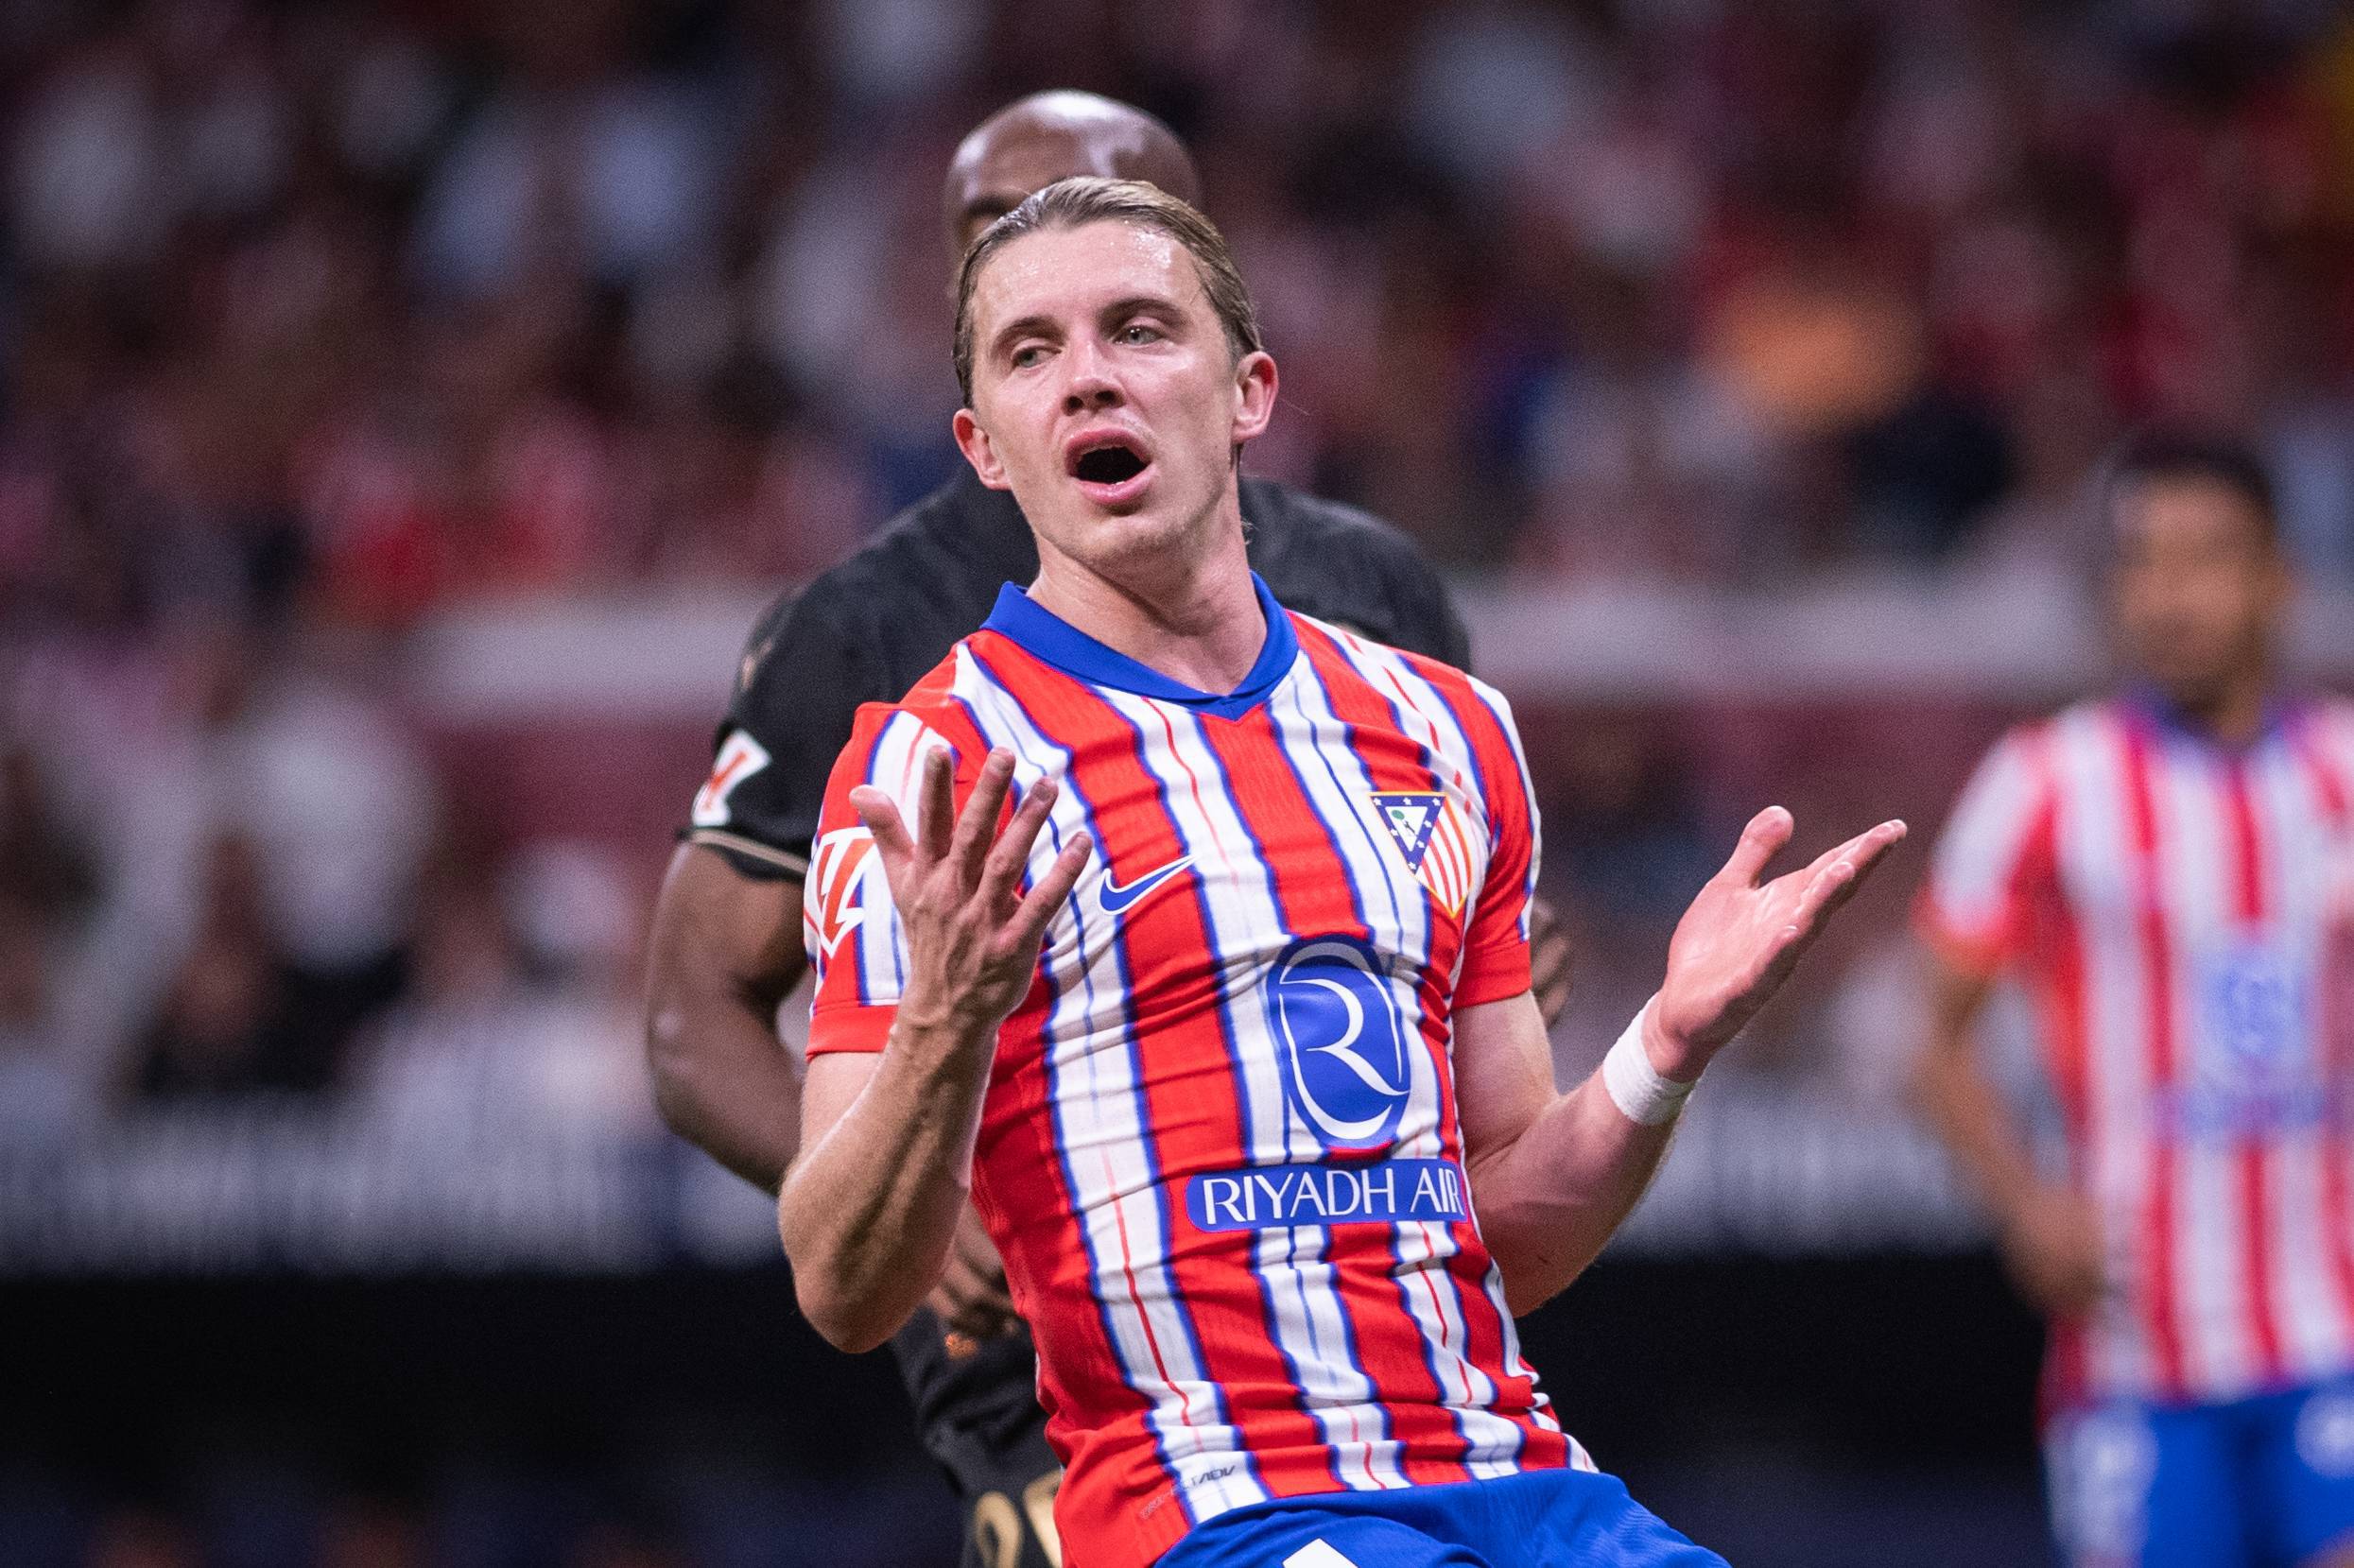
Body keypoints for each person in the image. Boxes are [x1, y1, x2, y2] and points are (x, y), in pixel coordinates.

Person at [779, 175, 1903, 1568]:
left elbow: (1500, 1233)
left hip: (1521, 1483)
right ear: (984, 447)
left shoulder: (1444, 727)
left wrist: (1662, 1045)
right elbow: (840, 1285)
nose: (1085, 380)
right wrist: (948, 1019)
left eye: (1137, 329)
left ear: (1249, 392)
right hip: (1216, 1509)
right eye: (1029, 352)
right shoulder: (933, 770)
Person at [646, 92, 1569, 1568]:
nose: (1034, 249)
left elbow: (1476, 936)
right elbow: (692, 1018)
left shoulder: (1377, 600)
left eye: (1098, 227)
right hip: (1050, 1364)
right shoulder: (860, 634)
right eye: (987, 240)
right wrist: (916, 1191)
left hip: (1376, 1360)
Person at [1913, 435, 2354, 1568]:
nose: (2172, 595)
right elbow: (1932, 1042)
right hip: (2131, 1351)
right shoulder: (2045, 782)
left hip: (2332, 1330)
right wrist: (2022, 1202)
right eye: (2143, 562)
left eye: (2207, 559)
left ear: (2277, 578)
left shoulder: (2345, 772)